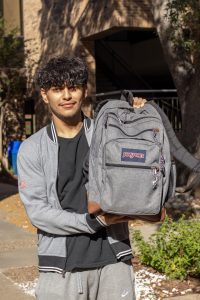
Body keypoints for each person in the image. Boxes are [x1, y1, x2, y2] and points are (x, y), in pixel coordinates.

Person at [17, 56, 137, 300]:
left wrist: (139, 122)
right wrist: (92, 222)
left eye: (73, 87)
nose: (66, 95)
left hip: (113, 261)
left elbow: (137, 178)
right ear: (44, 95)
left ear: (84, 90)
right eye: (57, 89)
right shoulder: (32, 149)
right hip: (61, 269)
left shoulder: (109, 135)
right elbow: (38, 212)